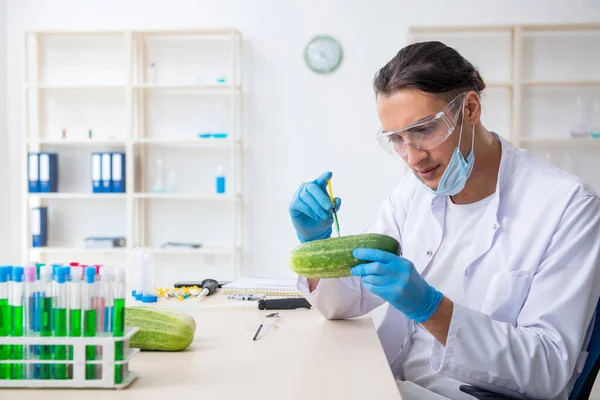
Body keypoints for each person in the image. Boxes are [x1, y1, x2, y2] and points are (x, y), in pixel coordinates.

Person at [288, 41, 600, 400]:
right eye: (397, 140)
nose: (412, 157)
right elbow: (345, 302)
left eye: (423, 130)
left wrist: (432, 310)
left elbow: (548, 370)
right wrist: (316, 245)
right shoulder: (412, 192)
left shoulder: (568, 207)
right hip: (392, 384)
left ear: (470, 108)